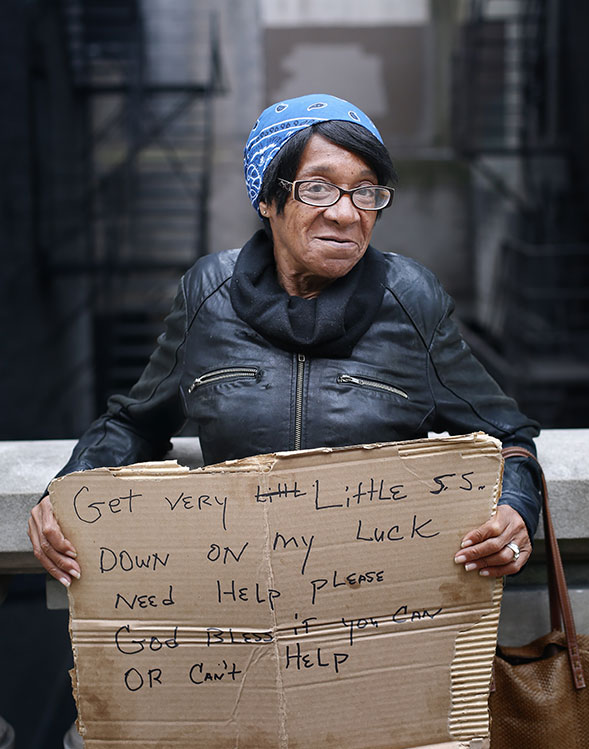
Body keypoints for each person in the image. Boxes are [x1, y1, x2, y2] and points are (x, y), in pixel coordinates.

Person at [28, 93, 541, 589]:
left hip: (376, 601)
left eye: (366, 191)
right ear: (268, 198)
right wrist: (70, 490)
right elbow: (134, 423)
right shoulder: (209, 294)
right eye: (318, 188)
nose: (346, 213)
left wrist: (516, 509)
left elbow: (509, 437)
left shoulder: (411, 299)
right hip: (240, 593)